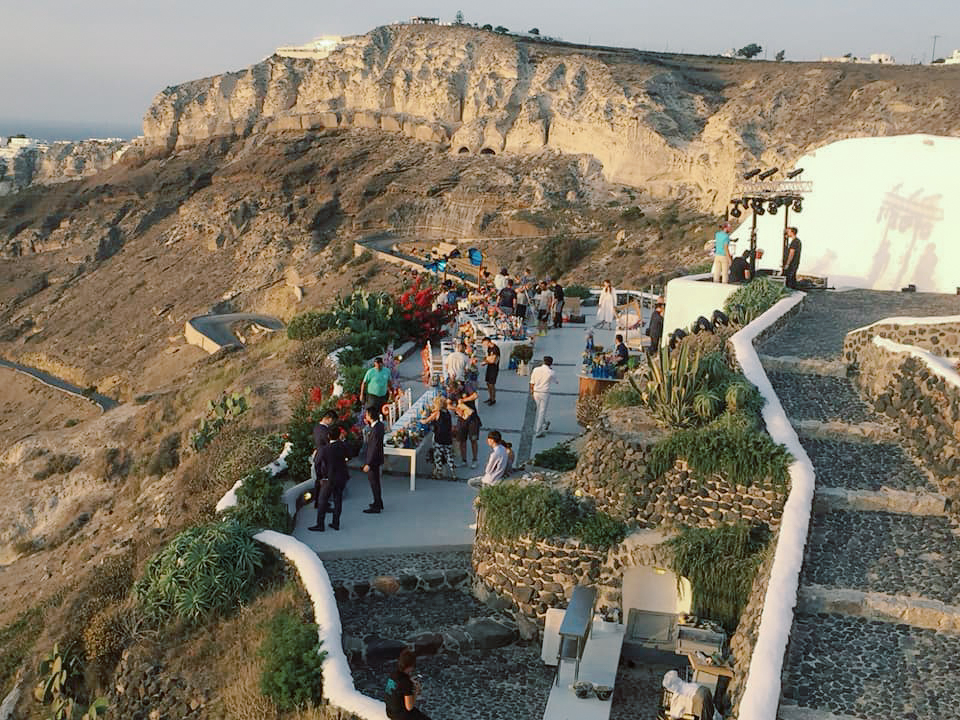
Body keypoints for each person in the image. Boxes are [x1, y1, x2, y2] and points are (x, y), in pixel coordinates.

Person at [309, 426, 352, 531]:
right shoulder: (344, 446)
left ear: (328, 436)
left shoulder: (325, 449)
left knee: (322, 501)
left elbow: (317, 464)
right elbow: (349, 456)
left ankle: (320, 525)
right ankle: (335, 523)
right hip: (342, 477)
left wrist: (320, 477)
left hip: (329, 478)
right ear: (339, 435)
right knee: (338, 500)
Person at [385, 649, 431, 720]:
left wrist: (409, 681)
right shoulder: (406, 682)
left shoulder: (393, 674)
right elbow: (409, 707)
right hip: (399, 716)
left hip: (389, 711)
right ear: (410, 666)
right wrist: (416, 691)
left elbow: (397, 688)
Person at [424, 396, 456, 480]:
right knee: (449, 456)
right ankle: (453, 474)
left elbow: (426, 421)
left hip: (439, 438)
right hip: (448, 438)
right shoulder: (447, 413)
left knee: (437, 456)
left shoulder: (437, 413)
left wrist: (421, 420)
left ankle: (438, 473)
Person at [451, 383, 481, 468]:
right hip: (462, 420)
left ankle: (475, 460)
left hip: (472, 419)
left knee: (473, 440)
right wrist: (456, 409)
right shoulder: (453, 392)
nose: (455, 393)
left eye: (456, 391)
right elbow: (448, 404)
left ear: (459, 387)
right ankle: (464, 460)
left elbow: (475, 396)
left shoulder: (467, 386)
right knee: (462, 441)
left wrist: (464, 400)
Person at [362, 407, 385, 514]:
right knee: (376, 482)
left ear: (370, 416)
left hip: (373, 460)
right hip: (378, 458)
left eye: (367, 415)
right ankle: (378, 502)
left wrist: (368, 463)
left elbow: (373, 448)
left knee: (374, 483)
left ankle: (376, 505)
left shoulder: (375, 430)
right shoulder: (379, 425)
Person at [529, 355, 558, 438]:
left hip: (536, 392)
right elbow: (556, 381)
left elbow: (532, 382)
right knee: (542, 411)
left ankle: (544, 423)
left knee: (539, 410)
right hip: (544, 393)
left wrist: (532, 391)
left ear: (543, 361)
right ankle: (538, 431)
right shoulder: (551, 372)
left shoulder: (536, 370)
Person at [481, 337, 501, 405]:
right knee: (488, 383)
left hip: (494, 368)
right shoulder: (489, 348)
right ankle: (490, 397)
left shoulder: (495, 349)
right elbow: (488, 357)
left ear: (487, 341)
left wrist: (485, 362)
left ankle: (493, 399)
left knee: (492, 384)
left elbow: (493, 360)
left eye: (484, 343)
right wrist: (485, 360)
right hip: (489, 367)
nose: (483, 345)